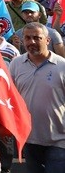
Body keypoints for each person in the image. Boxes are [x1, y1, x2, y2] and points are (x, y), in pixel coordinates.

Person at [9, 22, 65, 172]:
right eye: (27, 38)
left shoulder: (62, 66)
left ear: (48, 40)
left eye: (36, 38)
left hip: (58, 141)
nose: (31, 42)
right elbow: (9, 96)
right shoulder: (16, 64)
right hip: (28, 139)